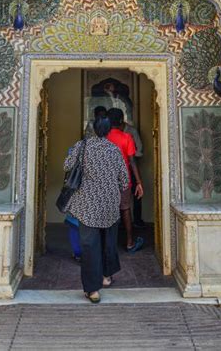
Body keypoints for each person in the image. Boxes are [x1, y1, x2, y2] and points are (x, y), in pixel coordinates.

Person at [64, 114, 129, 303]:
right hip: (110, 205)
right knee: (108, 242)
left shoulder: (82, 146)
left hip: (87, 206)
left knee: (90, 246)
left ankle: (93, 290)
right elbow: (124, 181)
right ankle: (106, 276)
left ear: (92, 129)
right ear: (109, 131)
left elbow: (66, 165)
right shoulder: (114, 150)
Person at [106, 107, 144, 252]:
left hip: (106, 180)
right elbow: (132, 161)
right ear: (121, 120)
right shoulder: (126, 137)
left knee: (107, 211)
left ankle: (107, 245)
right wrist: (139, 182)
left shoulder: (102, 138)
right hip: (124, 180)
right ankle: (129, 243)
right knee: (125, 210)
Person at [124, 120, 145, 227]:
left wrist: (128, 153)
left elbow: (140, 150)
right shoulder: (111, 132)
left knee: (136, 194)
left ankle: (137, 220)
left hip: (131, 168)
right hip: (118, 169)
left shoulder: (131, 131)